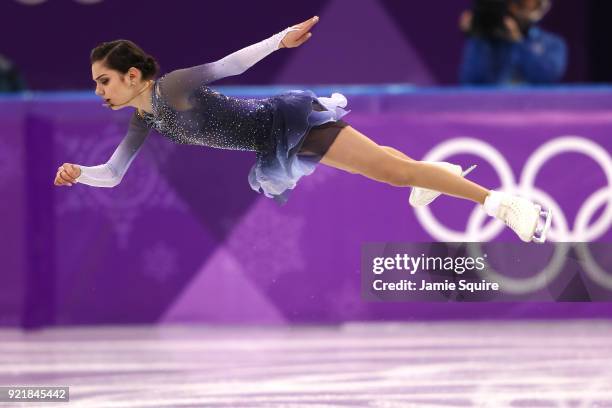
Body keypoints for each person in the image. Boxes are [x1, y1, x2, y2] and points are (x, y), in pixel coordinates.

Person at [53, 16, 551, 243]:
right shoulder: (144, 120)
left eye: (105, 81)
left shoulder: (173, 88)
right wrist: (82, 173)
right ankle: (430, 177)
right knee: (389, 165)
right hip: (271, 142)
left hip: (284, 122)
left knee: (392, 173)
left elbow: (229, 65)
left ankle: (502, 203)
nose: (100, 91)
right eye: (96, 83)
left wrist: (278, 40)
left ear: (133, 76)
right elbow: (115, 174)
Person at [459, 0, 567, 84]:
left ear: (541, 5)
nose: (518, 9)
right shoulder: (487, 41)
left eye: (526, 3)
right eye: (515, 3)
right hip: (493, 108)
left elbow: (545, 77)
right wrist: (477, 35)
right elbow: (470, 80)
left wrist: (518, 41)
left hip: (533, 108)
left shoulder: (553, 43)